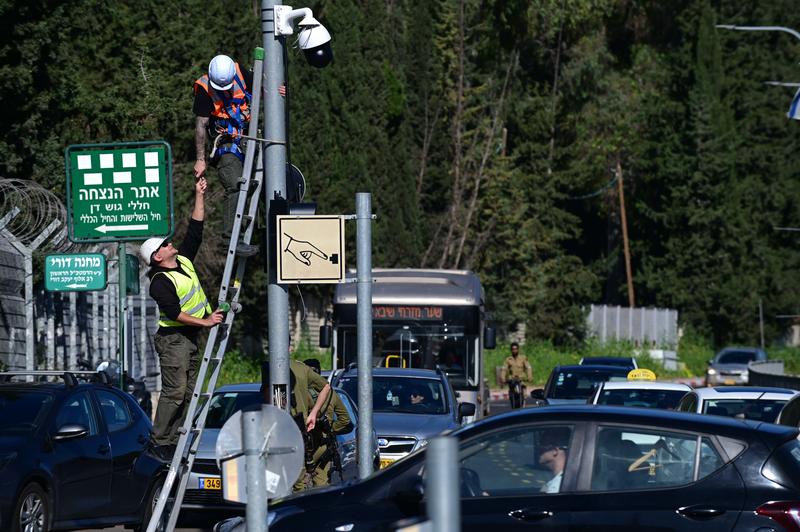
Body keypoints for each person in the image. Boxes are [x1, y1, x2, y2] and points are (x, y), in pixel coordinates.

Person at [139, 177, 224, 459]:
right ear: (157, 257)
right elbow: (175, 314)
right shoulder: (159, 282)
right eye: (164, 244)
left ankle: (174, 440)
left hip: (190, 337)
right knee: (174, 392)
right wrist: (207, 321)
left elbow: (196, 228)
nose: (170, 243)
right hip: (173, 340)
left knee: (188, 393)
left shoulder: (183, 260)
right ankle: (159, 441)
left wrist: (199, 193)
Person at [259, 358, 332, 491]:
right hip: (298, 429)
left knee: (274, 479)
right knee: (298, 481)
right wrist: (313, 414)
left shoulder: (269, 367)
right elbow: (326, 386)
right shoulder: (301, 368)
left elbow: (267, 395)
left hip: (278, 429)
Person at [538, 428, 570, 494]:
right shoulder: (559, 481)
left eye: (542, 445)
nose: (538, 449)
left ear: (555, 451)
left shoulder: (556, 488)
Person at [502, 342, 533, 408]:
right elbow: (504, 369)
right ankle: (513, 403)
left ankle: (523, 404)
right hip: (512, 380)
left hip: (521, 380)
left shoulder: (523, 358)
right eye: (513, 349)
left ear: (518, 349)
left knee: (523, 395)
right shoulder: (508, 359)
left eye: (516, 349)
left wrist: (529, 376)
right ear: (511, 350)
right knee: (512, 394)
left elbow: (528, 367)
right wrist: (503, 378)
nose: (514, 350)